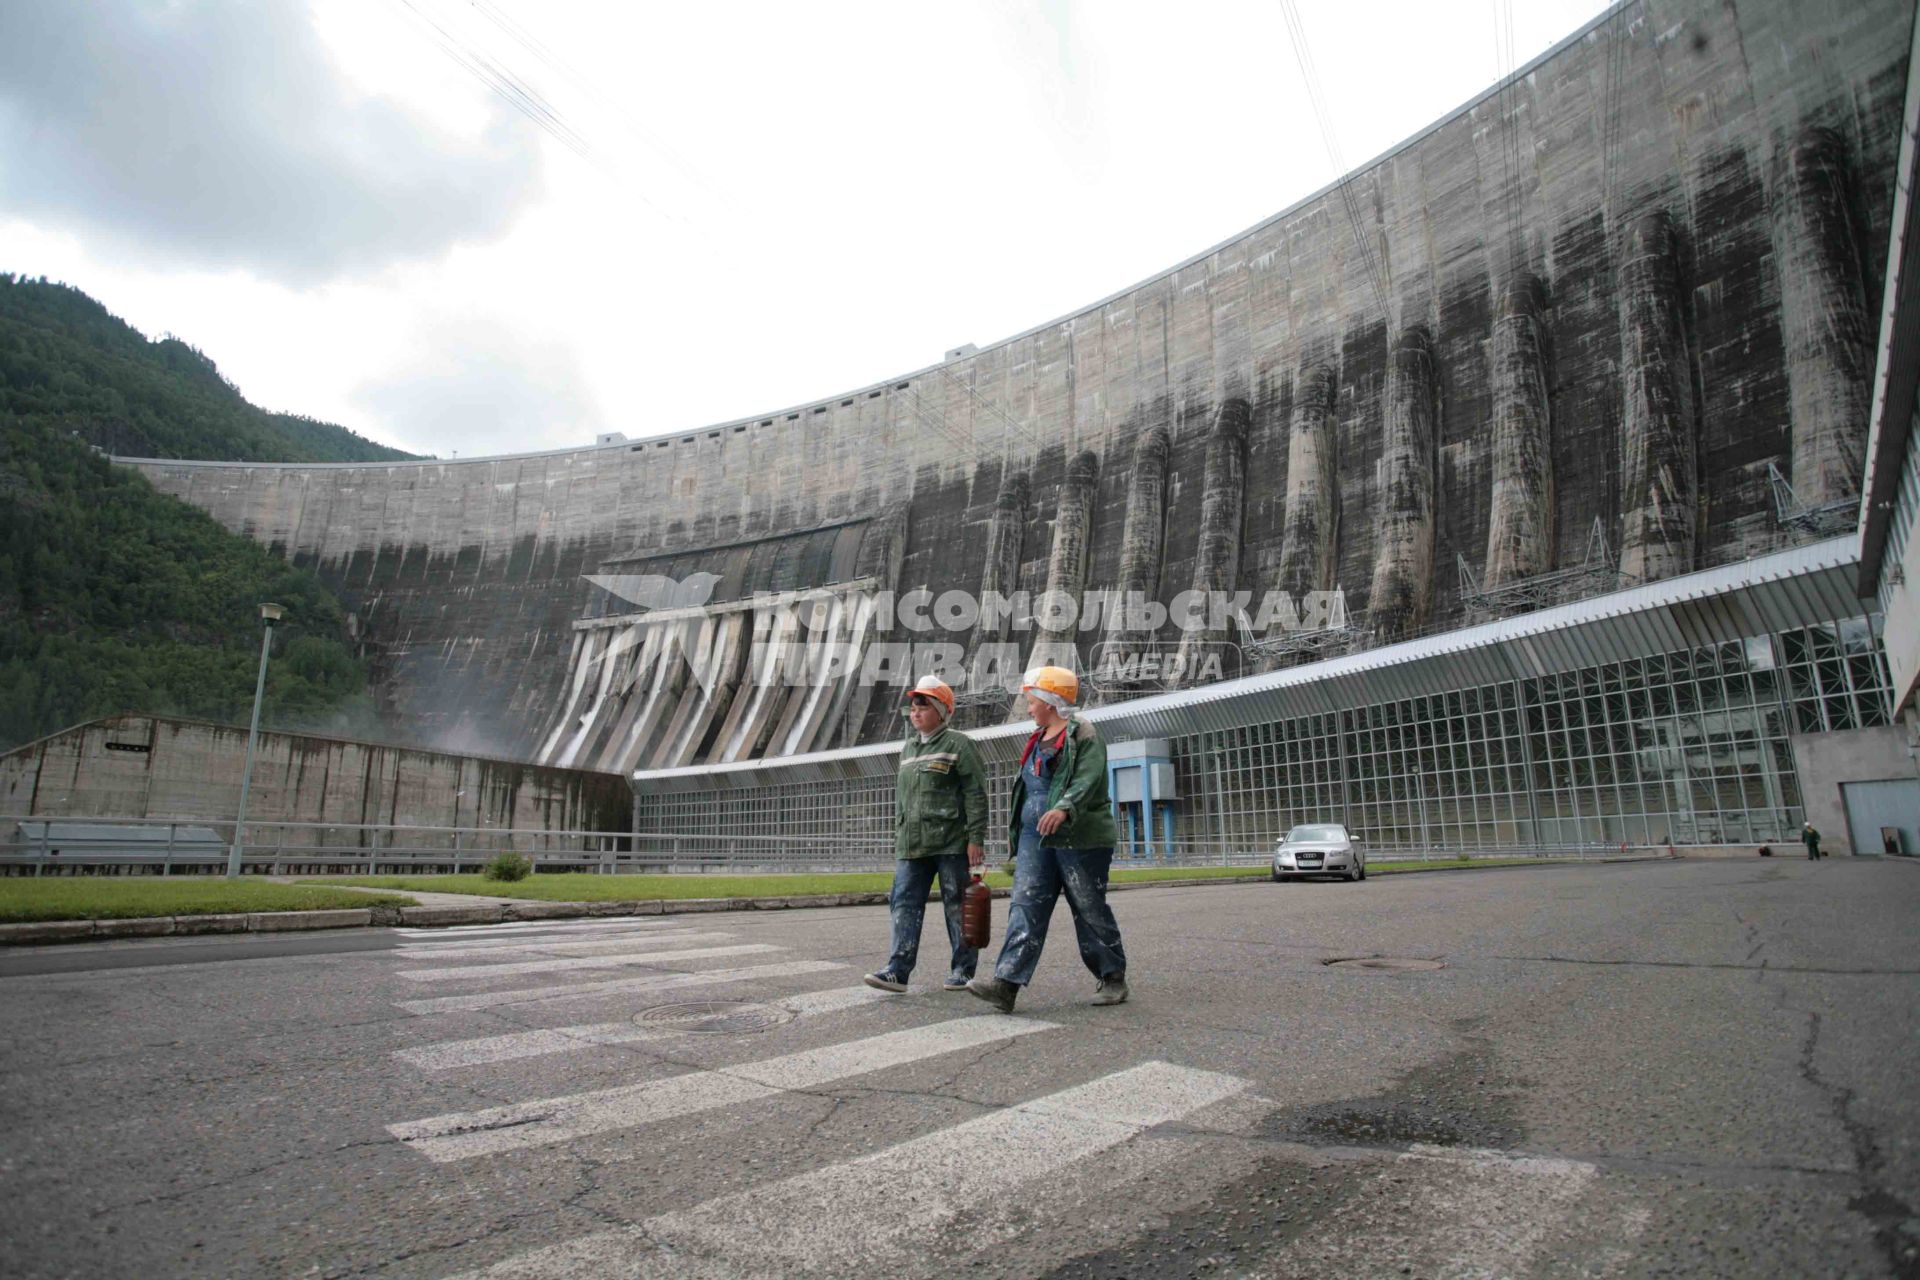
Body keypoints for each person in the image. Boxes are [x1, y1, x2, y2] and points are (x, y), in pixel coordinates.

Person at [968, 665, 1128, 1013]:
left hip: (1080, 837)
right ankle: (1006, 984)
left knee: (1088, 906)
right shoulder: (1035, 740)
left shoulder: (1082, 733)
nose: (1028, 708)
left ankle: (1113, 977)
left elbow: (1088, 778)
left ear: (1049, 701)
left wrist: (1065, 808)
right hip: (1034, 838)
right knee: (1025, 904)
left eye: (1031, 700)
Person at [864, 675, 988, 993]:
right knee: (904, 902)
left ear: (941, 711)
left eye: (923, 705)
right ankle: (898, 970)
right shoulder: (908, 748)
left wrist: (975, 839)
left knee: (957, 904)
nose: (915, 711)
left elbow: (975, 793)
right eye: (913, 706)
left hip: (950, 842)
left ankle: (962, 969)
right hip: (912, 844)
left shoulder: (959, 744)